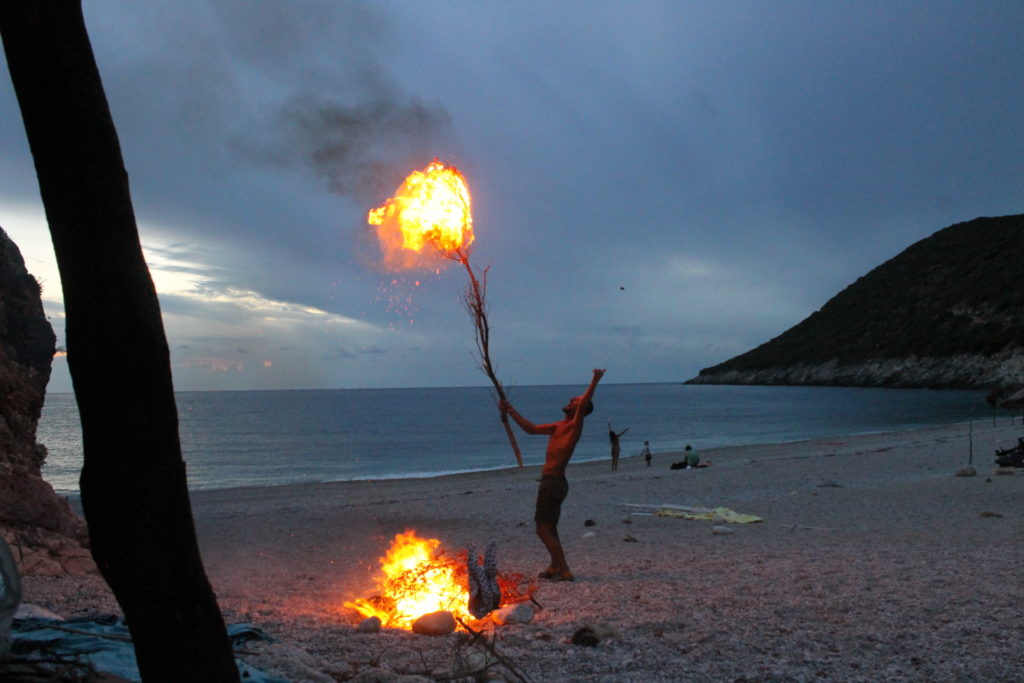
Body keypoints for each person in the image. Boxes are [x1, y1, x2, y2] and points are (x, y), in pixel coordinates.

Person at [500, 368, 605, 582]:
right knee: (550, 527)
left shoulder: (574, 427)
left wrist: (594, 380)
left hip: (554, 482)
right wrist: (509, 410)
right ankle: (554, 566)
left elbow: (584, 403)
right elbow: (530, 429)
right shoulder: (558, 426)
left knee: (542, 529)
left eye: (575, 400)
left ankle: (565, 570)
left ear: (580, 408)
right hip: (551, 482)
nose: (571, 400)